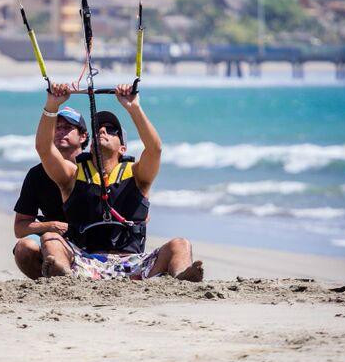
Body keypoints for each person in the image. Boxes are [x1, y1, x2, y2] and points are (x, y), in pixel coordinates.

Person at [35, 82, 203, 281]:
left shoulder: (137, 174)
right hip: (85, 261)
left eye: (111, 130)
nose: (103, 131)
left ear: (122, 148)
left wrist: (134, 108)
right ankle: (63, 275)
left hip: (133, 263)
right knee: (50, 239)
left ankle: (182, 277)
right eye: (99, 128)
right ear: (89, 147)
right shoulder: (72, 175)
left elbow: (155, 149)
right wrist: (52, 105)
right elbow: (44, 149)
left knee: (181, 244)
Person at [13, 105, 88, 279]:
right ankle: (54, 280)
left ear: (83, 136)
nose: (61, 132)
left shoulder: (94, 169)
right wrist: (50, 226)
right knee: (24, 248)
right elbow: (20, 227)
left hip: (91, 243)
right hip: (54, 241)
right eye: (57, 128)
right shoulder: (37, 174)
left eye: (68, 128)